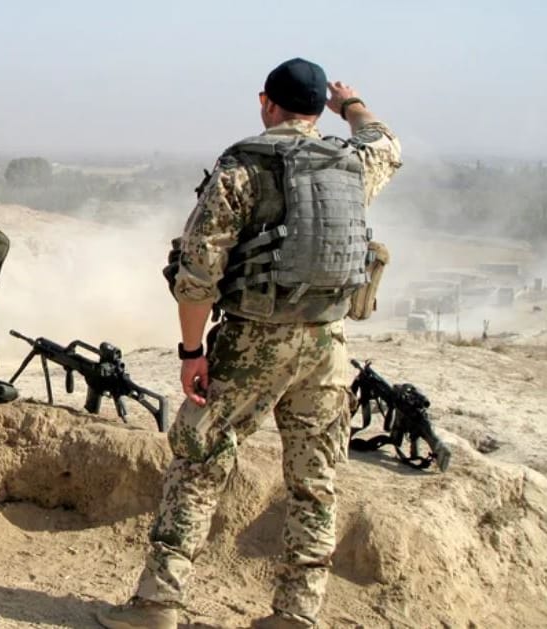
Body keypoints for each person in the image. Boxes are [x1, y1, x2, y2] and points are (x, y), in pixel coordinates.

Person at [97, 58, 402, 628]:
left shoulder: (243, 170)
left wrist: (192, 354)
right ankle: (297, 614)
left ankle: (160, 604)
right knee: (315, 481)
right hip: (328, 345)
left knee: (200, 460)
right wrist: (351, 104)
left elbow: (196, 273)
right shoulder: (355, 165)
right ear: (318, 110)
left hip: (254, 341)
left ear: (266, 103)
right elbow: (385, 139)